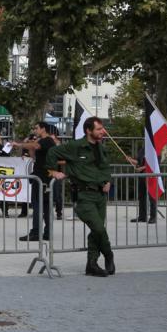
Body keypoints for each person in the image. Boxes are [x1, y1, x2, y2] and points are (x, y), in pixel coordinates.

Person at [47, 117, 114, 277]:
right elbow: (52, 152)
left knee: (95, 231)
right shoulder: (75, 146)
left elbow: (105, 166)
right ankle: (109, 255)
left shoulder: (100, 147)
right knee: (98, 228)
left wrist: (108, 180)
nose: (102, 131)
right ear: (88, 131)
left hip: (100, 196)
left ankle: (91, 265)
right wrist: (52, 171)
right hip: (84, 195)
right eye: (98, 129)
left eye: (102, 128)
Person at [12, 122, 55, 241]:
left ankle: (36, 232)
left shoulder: (47, 141)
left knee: (38, 205)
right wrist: (29, 143)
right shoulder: (41, 141)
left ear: (43, 129)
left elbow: (35, 147)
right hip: (41, 176)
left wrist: (20, 144)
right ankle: (47, 232)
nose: (35, 130)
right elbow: (33, 155)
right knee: (44, 206)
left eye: (36, 128)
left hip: (42, 177)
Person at [125, 145, 157, 224]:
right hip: (142, 175)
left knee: (152, 196)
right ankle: (142, 216)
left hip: (151, 175)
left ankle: (153, 217)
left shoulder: (155, 148)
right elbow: (139, 161)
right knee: (141, 196)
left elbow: (155, 163)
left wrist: (141, 168)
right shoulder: (143, 149)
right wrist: (131, 160)